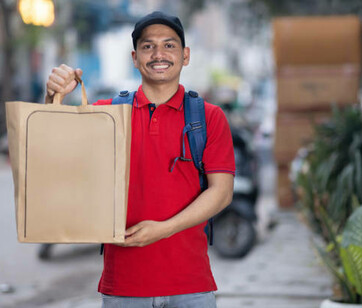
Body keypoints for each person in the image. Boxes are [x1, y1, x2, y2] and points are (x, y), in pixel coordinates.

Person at [45, 11, 235, 308]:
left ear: (185, 55)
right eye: (148, 46)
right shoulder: (106, 113)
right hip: (123, 287)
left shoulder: (209, 117)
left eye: (169, 45)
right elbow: (56, 149)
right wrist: (54, 97)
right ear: (135, 57)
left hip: (191, 286)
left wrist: (163, 229)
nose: (158, 54)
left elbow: (221, 193)